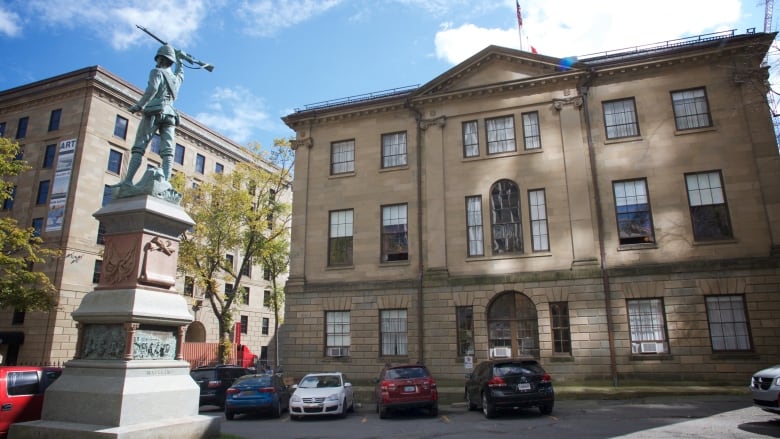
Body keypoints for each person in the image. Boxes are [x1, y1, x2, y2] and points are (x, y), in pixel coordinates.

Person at [120, 44, 183, 186]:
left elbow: (152, 89)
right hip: (170, 114)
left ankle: (128, 181)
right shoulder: (175, 79)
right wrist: (181, 61)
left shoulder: (156, 72)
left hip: (155, 110)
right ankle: (165, 183)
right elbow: (180, 74)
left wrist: (139, 105)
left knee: (139, 146)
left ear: (160, 59)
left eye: (159, 59)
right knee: (168, 150)